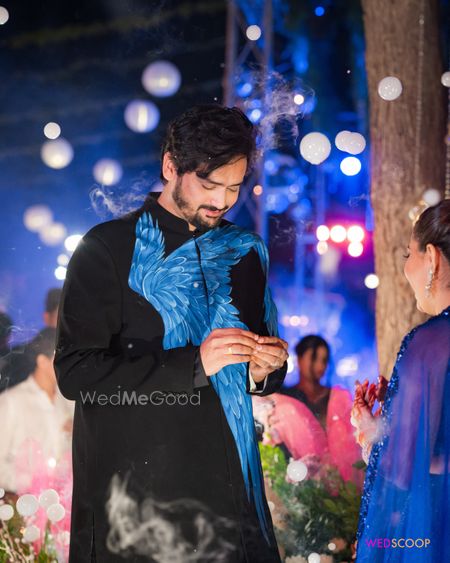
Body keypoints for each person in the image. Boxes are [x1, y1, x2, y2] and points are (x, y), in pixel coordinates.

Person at [54, 104, 288, 562]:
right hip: (139, 507)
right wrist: (194, 364)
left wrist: (263, 370)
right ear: (170, 167)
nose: (222, 202)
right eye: (209, 185)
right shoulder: (107, 248)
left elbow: (262, 360)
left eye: (234, 188)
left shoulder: (245, 251)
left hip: (232, 501)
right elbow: (76, 373)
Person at [352, 200, 450, 562]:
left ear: (432, 258)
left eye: (409, 254)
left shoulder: (431, 343)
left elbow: (402, 471)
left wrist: (372, 433)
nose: (407, 268)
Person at [267, 335, 363, 484]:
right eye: (314, 357)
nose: (320, 365)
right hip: (301, 481)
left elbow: (353, 442)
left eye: (324, 360)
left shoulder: (336, 397)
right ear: (299, 358)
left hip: (342, 482)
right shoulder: (286, 398)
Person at [0, 327, 73, 494]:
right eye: (63, 359)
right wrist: (34, 484)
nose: (69, 366)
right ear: (43, 361)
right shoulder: (11, 402)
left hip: (63, 502)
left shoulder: (68, 401)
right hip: (23, 503)